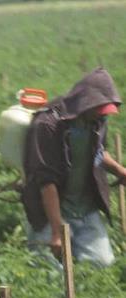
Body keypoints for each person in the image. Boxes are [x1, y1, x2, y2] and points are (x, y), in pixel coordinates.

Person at [22, 67, 126, 267]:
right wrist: (56, 232)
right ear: (87, 103)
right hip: (51, 210)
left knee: (102, 265)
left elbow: (97, 152)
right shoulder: (48, 124)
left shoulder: (97, 121)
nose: (103, 117)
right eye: (100, 111)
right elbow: (47, 181)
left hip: (84, 208)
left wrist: (120, 171)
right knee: (49, 271)